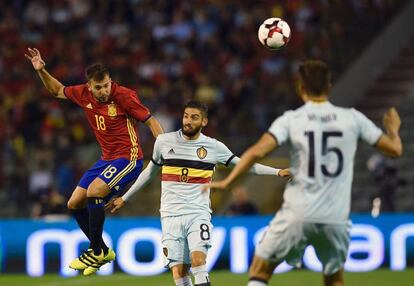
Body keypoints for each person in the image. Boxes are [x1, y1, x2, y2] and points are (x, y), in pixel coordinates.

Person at [207, 60, 403, 286]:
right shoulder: (353, 118)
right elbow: (395, 149)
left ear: (301, 89)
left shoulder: (291, 119)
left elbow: (256, 151)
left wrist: (228, 181)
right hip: (335, 216)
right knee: (334, 279)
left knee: (261, 269)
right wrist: (393, 130)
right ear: (329, 86)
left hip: (298, 211)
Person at [107, 100, 290, 286]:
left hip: (197, 213)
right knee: (179, 272)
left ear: (204, 122)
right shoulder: (164, 142)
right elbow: (149, 173)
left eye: (194, 118)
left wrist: (277, 171)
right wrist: (125, 197)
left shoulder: (213, 147)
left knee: (198, 261)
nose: (188, 121)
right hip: (170, 215)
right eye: (186, 116)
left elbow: (244, 164)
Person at [25, 48, 164, 275]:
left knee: (94, 191)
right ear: (89, 86)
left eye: (106, 85)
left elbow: (151, 121)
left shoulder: (124, 96)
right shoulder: (83, 94)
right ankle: (102, 250)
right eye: (98, 87)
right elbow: (57, 90)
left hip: (128, 157)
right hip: (106, 159)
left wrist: (164, 148)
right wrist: (42, 70)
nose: (103, 91)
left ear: (111, 82)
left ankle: (95, 250)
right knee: (74, 203)